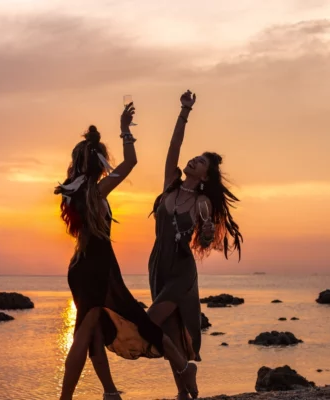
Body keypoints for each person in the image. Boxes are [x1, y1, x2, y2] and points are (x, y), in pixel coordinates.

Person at [56, 103, 197, 400]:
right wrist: (124, 128)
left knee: (91, 331)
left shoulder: (76, 190)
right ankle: (184, 368)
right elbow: (131, 162)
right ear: (99, 163)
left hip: (83, 268)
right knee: (105, 327)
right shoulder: (95, 191)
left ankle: (110, 392)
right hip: (97, 269)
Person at [147, 91, 244, 399]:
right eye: (195, 158)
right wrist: (184, 111)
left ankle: (188, 370)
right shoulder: (169, 184)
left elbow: (203, 241)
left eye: (200, 161)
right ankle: (184, 393)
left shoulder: (202, 202)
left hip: (181, 270)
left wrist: (205, 230)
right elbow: (173, 147)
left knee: (149, 322)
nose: (193, 160)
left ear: (204, 175)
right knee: (170, 332)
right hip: (157, 265)